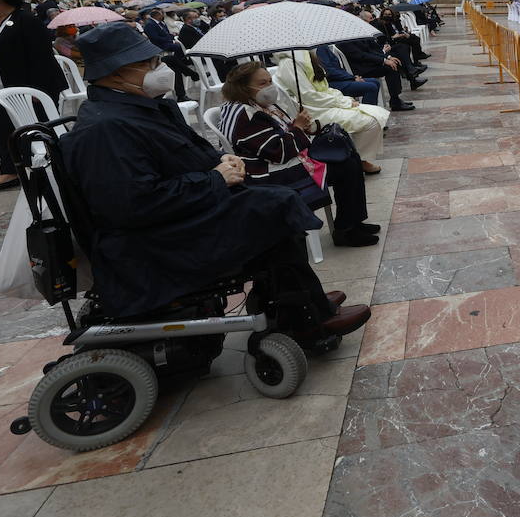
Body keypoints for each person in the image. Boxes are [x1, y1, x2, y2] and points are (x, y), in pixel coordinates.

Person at [61, 25, 370, 336]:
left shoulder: (143, 109)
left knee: (272, 203)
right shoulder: (106, 129)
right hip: (155, 241)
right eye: (149, 64)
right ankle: (304, 318)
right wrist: (214, 179)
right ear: (115, 74)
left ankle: (297, 299)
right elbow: (133, 204)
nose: (161, 69)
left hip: (183, 213)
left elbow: (186, 153)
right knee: (275, 206)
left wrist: (221, 160)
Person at [219, 62, 380, 247]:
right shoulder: (247, 114)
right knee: (345, 165)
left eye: (270, 81)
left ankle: (354, 222)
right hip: (267, 172)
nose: (270, 87)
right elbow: (277, 152)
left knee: (349, 155)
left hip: (280, 158)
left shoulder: (257, 104)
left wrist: (302, 125)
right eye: (263, 83)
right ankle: (346, 229)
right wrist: (298, 128)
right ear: (243, 87)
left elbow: (283, 131)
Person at [0, 0, 67, 194]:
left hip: (27, 87)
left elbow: (41, 56)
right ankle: (10, 170)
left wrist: (37, 88)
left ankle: (50, 164)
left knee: (35, 126)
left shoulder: (25, 20)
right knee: (6, 129)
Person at [273, 50, 389, 175]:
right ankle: (359, 161)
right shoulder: (289, 64)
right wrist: (344, 103)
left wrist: (344, 100)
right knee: (371, 121)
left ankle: (356, 158)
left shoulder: (306, 57)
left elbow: (324, 89)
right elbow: (308, 97)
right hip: (314, 113)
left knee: (377, 113)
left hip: (323, 106)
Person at [142, 8, 191, 101]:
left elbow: (165, 34)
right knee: (175, 53)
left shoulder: (160, 23)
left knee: (174, 64)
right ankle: (187, 69)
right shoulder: (149, 25)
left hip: (157, 52)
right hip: (157, 48)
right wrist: (170, 40)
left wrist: (172, 37)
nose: (163, 16)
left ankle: (185, 70)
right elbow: (155, 38)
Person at [315, 43, 381, 105]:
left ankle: (371, 112)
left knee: (375, 82)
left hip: (339, 79)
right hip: (332, 83)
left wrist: (352, 77)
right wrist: (352, 78)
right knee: (371, 87)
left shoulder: (324, 46)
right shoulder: (320, 48)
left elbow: (337, 70)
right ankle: (368, 114)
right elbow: (330, 71)